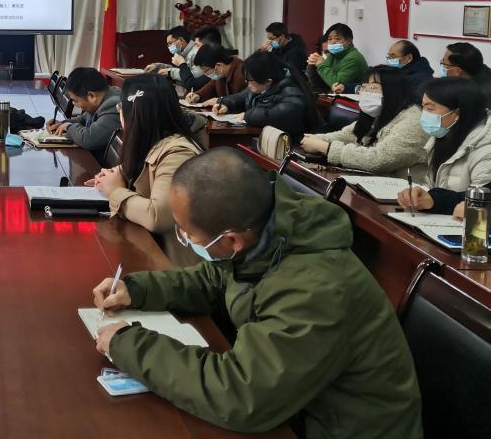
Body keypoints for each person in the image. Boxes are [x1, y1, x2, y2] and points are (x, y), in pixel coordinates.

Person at [91, 147, 422, 439]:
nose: (185, 239)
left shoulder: (316, 290)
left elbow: (241, 395)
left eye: (188, 234)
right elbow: (215, 278)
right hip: (297, 409)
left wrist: (129, 345)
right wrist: (136, 289)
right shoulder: (268, 232)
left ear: (232, 240)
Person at [85, 75, 201, 233]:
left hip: (163, 247)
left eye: (121, 107)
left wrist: (115, 192)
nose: (119, 112)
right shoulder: (153, 140)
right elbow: (146, 168)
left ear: (135, 114)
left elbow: (158, 218)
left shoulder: (178, 153)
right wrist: (118, 174)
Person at [301, 66, 429, 181]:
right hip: (374, 181)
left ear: (393, 91)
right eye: (363, 87)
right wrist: (314, 139)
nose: (366, 92)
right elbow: (348, 135)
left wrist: (326, 148)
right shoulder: (379, 111)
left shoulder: (413, 121)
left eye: (373, 87)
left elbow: (379, 160)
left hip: (404, 190)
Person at [397, 77, 491, 219]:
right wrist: (429, 199)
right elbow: (448, 193)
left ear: (457, 114)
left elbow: (480, 202)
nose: (424, 114)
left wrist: (436, 200)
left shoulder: (485, 150)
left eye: (430, 108)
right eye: (423, 107)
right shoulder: (444, 135)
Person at [215, 50, 319, 141]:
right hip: (266, 139)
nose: (247, 84)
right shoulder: (260, 85)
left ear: (268, 81)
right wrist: (225, 104)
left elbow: (281, 115)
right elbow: (241, 97)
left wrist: (247, 116)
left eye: (250, 80)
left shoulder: (292, 92)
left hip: (290, 144)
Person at [46, 67, 121, 159]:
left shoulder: (113, 106)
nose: (75, 105)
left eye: (76, 101)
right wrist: (62, 124)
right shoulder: (103, 96)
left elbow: (89, 139)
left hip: (101, 165)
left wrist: (68, 127)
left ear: (91, 96)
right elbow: (83, 119)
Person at [306, 23, 368, 93]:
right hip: (332, 93)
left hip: (351, 97)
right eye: (330, 39)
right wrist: (314, 63)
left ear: (349, 41)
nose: (333, 42)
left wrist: (321, 64)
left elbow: (336, 85)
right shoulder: (334, 54)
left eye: (337, 39)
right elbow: (324, 78)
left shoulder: (353, 58)